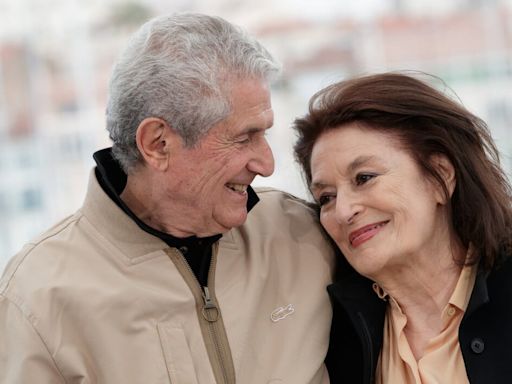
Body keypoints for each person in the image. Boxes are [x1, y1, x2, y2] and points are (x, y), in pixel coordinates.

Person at [0, 13, 335, 383]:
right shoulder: (37, 298)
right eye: (244, 138)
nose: (266, 164)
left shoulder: (304, 232)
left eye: (264, 134)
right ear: (157, 144)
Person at [293, 72, 512, 383]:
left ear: (440, 176)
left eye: (364, 178)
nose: (343, 211)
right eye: (326, 197)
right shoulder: (330, 336)